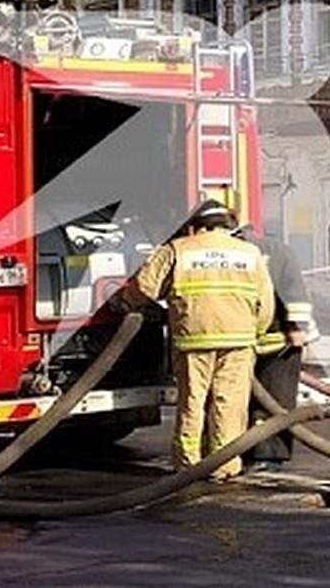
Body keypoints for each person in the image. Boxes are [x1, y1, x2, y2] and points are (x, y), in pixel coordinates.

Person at [111, 199, 274, 480]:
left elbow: (145, 288)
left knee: (192, 402)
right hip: (239, 340)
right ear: (228, 226)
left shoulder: (178, 249)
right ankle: (224, 466)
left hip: (193, 339)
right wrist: (256, 333)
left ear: (194, 227)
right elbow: (266, 301)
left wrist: (121, 302)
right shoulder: (249, 253)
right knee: (229, 404)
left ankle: (188, 465)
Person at [235, 223, 319, 472]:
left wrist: (294, 327)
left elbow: (290, 294)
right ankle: (258, 454)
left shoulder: (251, 252)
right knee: (268, 400)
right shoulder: (277, 249)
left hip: (279, 339)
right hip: (273, 337)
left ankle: (268, 457)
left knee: (272, 401)